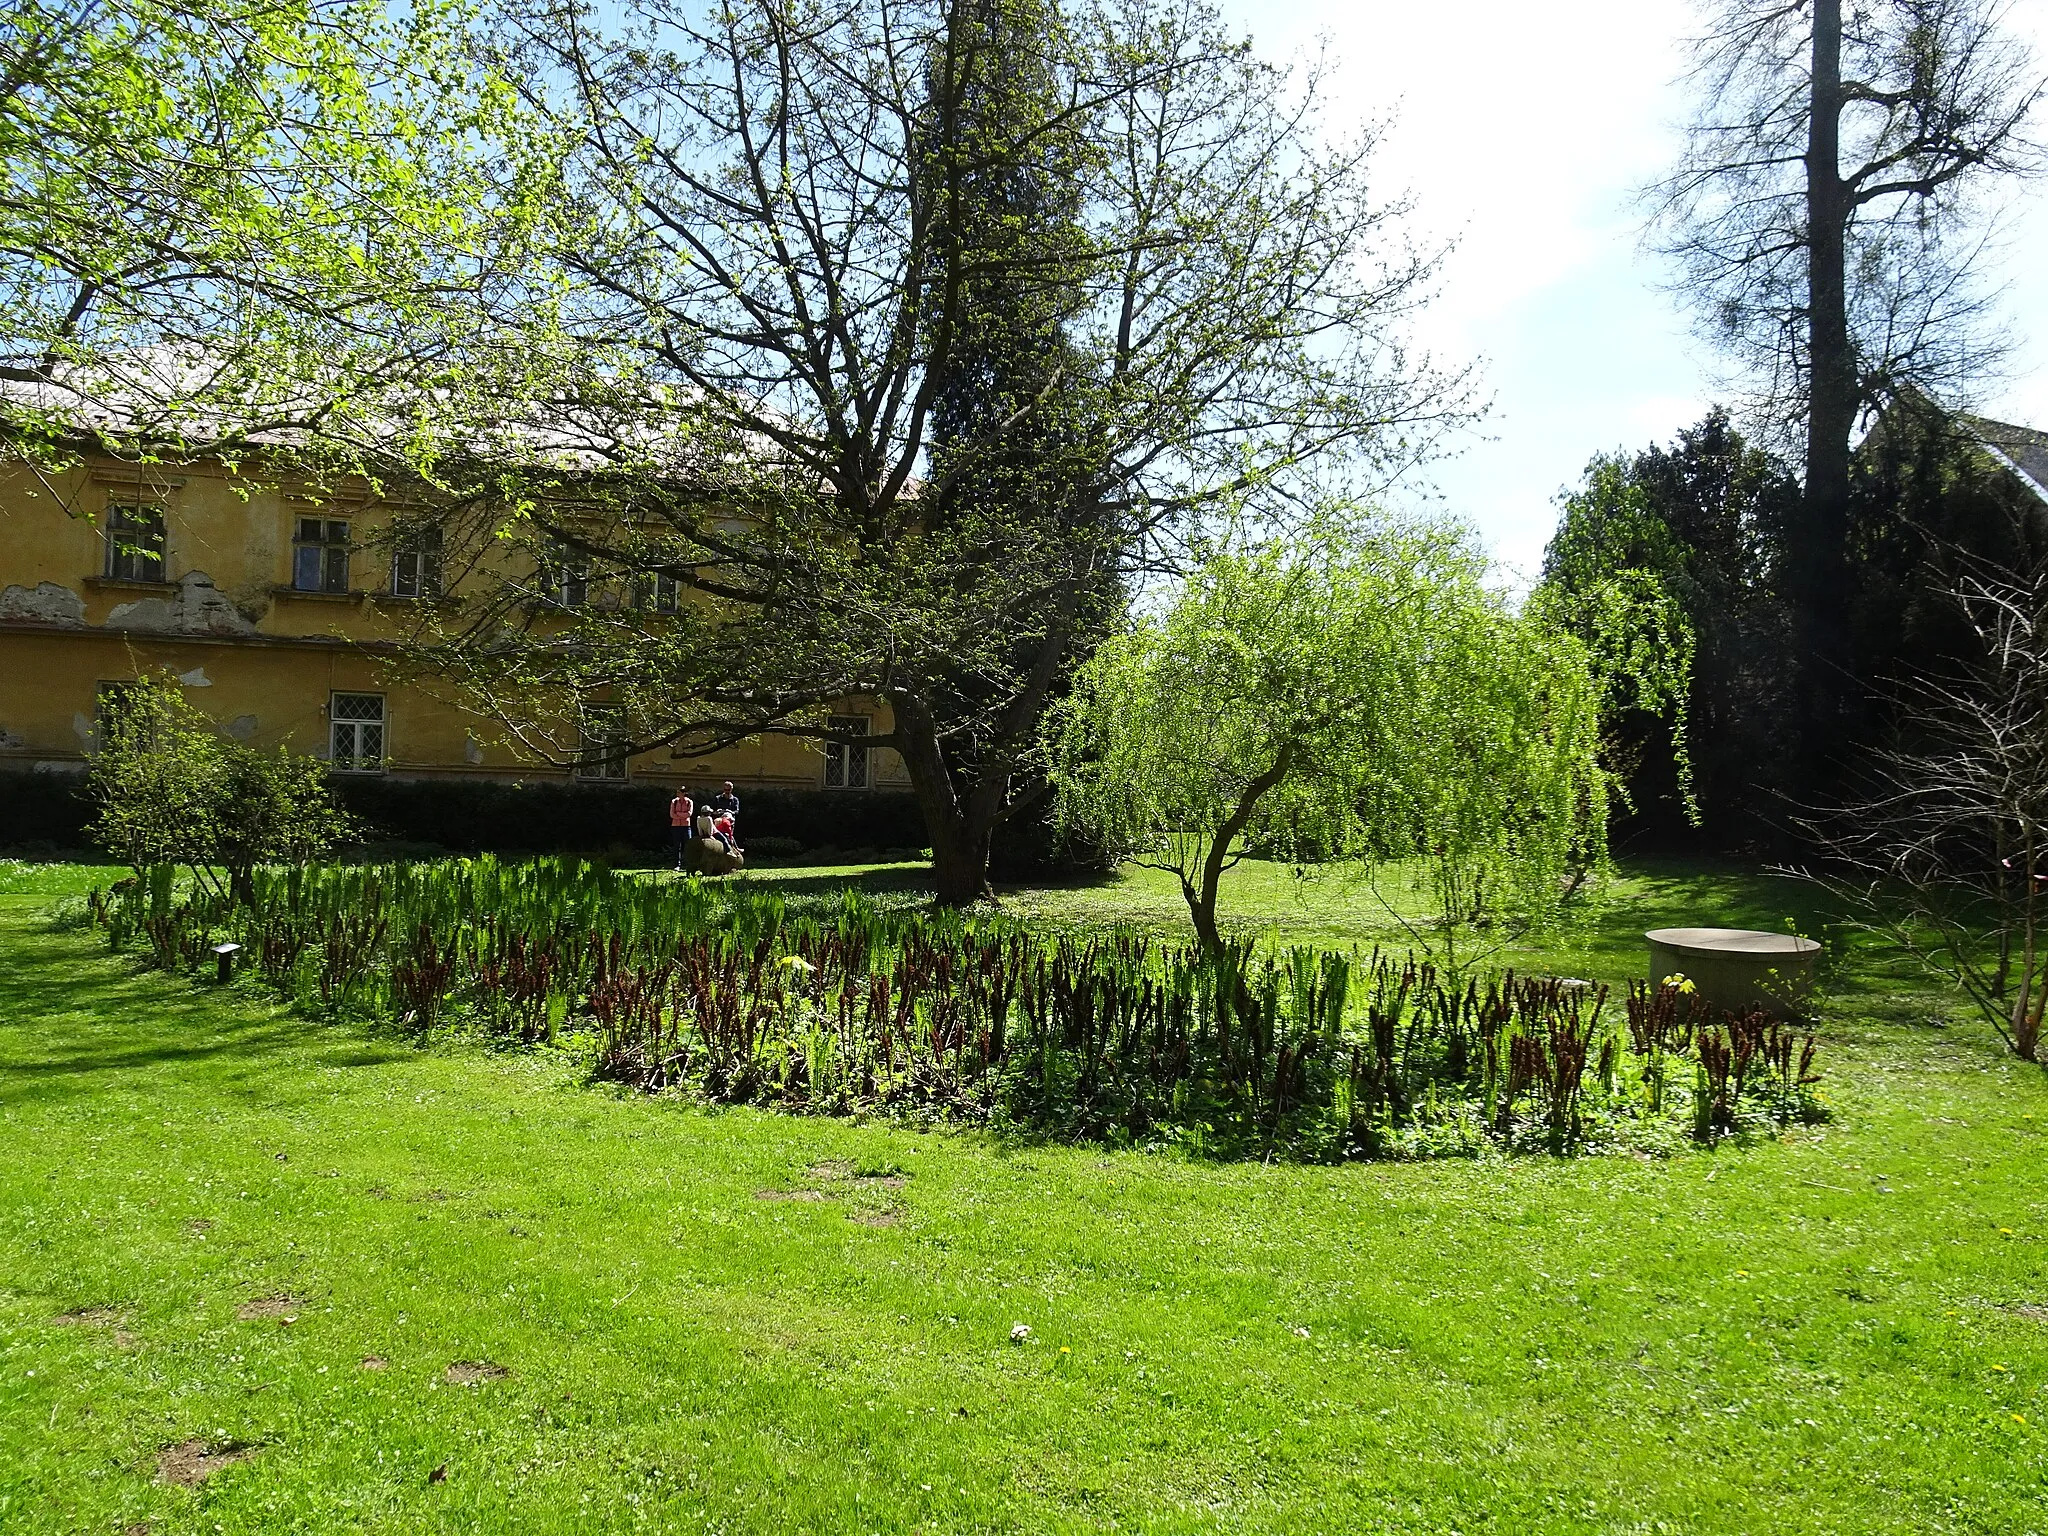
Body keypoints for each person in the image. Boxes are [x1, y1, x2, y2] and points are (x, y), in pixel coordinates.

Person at [668, 788, 694, 869]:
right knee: (677, 846)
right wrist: (683, 815)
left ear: (683, 793)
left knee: (687, 845)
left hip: (686, 826)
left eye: (679, 792)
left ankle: (688, 863)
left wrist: (678, 814)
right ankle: (677, 864)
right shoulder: (674, 802)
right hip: (675, 826)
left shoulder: (689, 802)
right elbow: (672, 814)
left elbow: (689, 814)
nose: (677, 794)